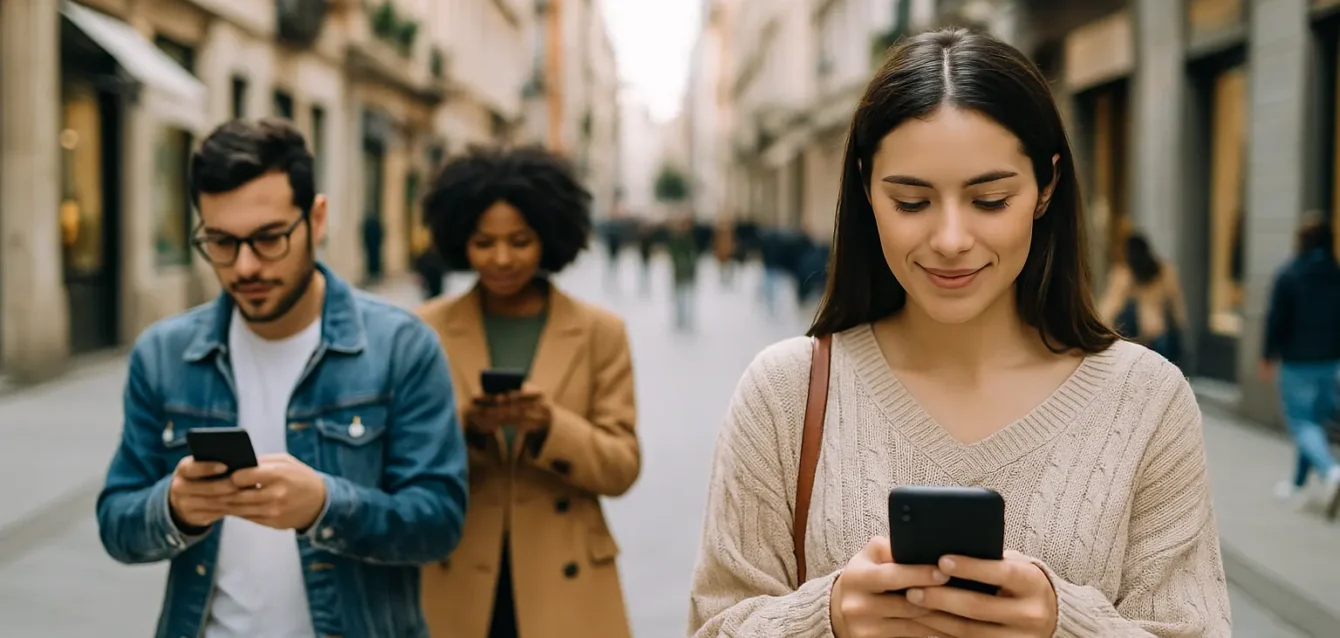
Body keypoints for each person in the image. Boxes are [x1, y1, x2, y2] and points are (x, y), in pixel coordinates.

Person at [687, 28, 1231, 638]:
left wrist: (1064, 623)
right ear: (867, 189)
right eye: (912, 202)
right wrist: (828, 615)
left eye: (990, 200)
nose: (950, 240)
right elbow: (715, 624)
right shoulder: (785, 393)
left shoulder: (1147, 401)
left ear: (1046, 187)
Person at [94, 118, 470, 638]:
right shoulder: (165, 354)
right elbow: (117, 522)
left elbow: (439, 523)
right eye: (221, 242)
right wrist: (175, 507)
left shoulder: (400, 347)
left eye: (269, 238)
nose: (244, 266)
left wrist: (324, 504)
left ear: (316, 219)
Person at [416, 146, 640, 638]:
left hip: (566, 581)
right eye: (483, 242)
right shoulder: (422, 329)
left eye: (519, 241)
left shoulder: (600, 331)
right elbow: (399, 458)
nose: (501, 258)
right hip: (456, 575)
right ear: (459, 240)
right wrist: (468, 428)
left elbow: (622, 466)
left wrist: (550, 427)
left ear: (548, 237)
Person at [1260, 212, 1340, 518]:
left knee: (1301, 423)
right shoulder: (1336, 274)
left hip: (1298, 362)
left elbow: (1276, 319)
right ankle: (1298, 483)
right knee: (1316, 425)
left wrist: (1268, 355)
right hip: (1331, 362)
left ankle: (1331, 470)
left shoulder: (1289, 275)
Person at [1097, 233, 1188, 363]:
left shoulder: (1124, 274)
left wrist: (1101, 334)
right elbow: (1176, 304)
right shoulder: (1164, 271)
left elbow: (1109, 308)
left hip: (1134, 338)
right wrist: (1180, 327)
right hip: (1159, 333)